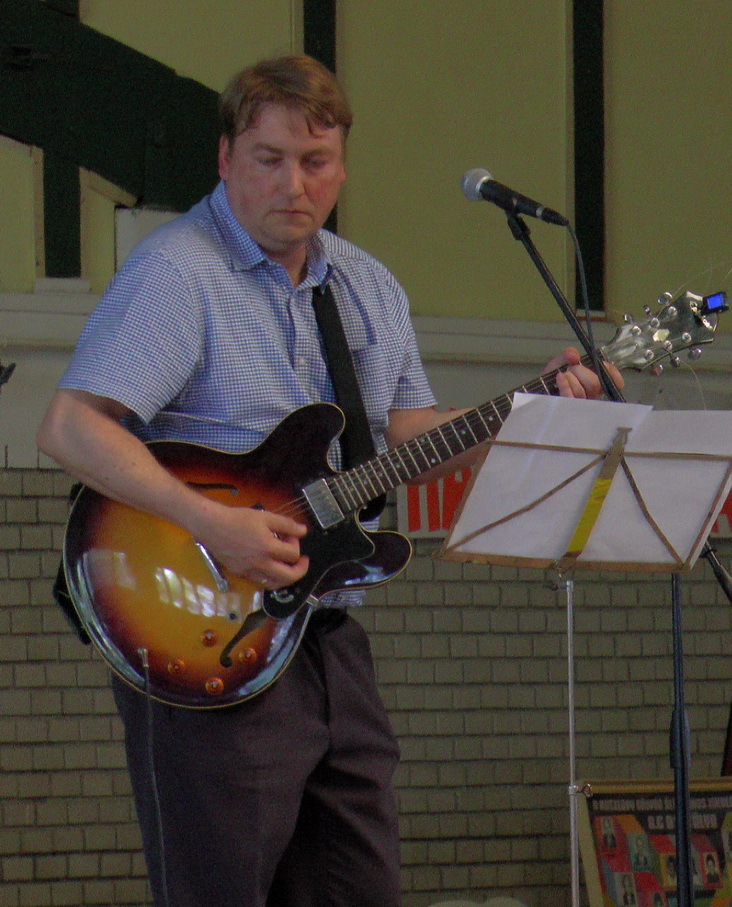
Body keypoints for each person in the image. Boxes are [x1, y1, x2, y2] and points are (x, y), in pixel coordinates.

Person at [35, 55, 613, 907]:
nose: (293, 184)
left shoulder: (366, 284)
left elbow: (402, 435)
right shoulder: (178, 273)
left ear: (341, 167)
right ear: (225, 158)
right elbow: (70, 426)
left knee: (359, 884)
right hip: (203, 622)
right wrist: (215, 524)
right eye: (268, 159)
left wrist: (533, 406)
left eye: (315, 161)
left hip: (328, 631)